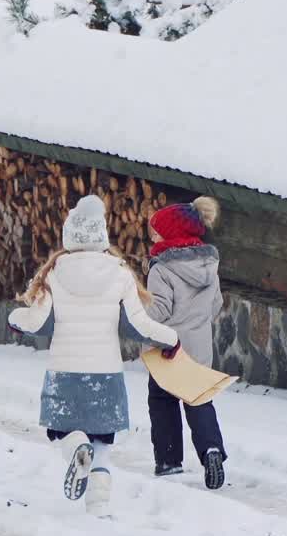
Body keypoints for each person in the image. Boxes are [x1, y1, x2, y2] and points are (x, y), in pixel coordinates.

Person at [9, 194, 179, 516]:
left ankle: (75, 446)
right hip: (106, 376)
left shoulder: (55, 272)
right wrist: (170, 339)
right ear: (102, 236)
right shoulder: (119, 272)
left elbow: (39, 323)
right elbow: (137, 325)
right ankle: (98, 507)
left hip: (65, 375)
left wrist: (14, 320)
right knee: (102, 442)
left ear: (69, 236)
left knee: (63, 431)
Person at [145, 196, 227, 489]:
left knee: (163, 401)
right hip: (200, 346)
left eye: (156, 230)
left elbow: (159, 310)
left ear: (170, 234)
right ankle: (211, 450)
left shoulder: (161, 269)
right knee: (199, 400)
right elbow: (215, 304)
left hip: (169, 349)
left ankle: (168, 461)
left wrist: (135, 308)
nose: (152, 235)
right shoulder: (209, 264)